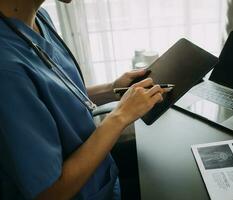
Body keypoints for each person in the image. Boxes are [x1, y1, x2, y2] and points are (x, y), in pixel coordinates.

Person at [0, 0, 168, 199]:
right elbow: (49, 193)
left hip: (100, 180)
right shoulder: (6, 71)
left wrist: (112, 88)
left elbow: (55, 94)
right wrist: (120, 116)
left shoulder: (39, 18)